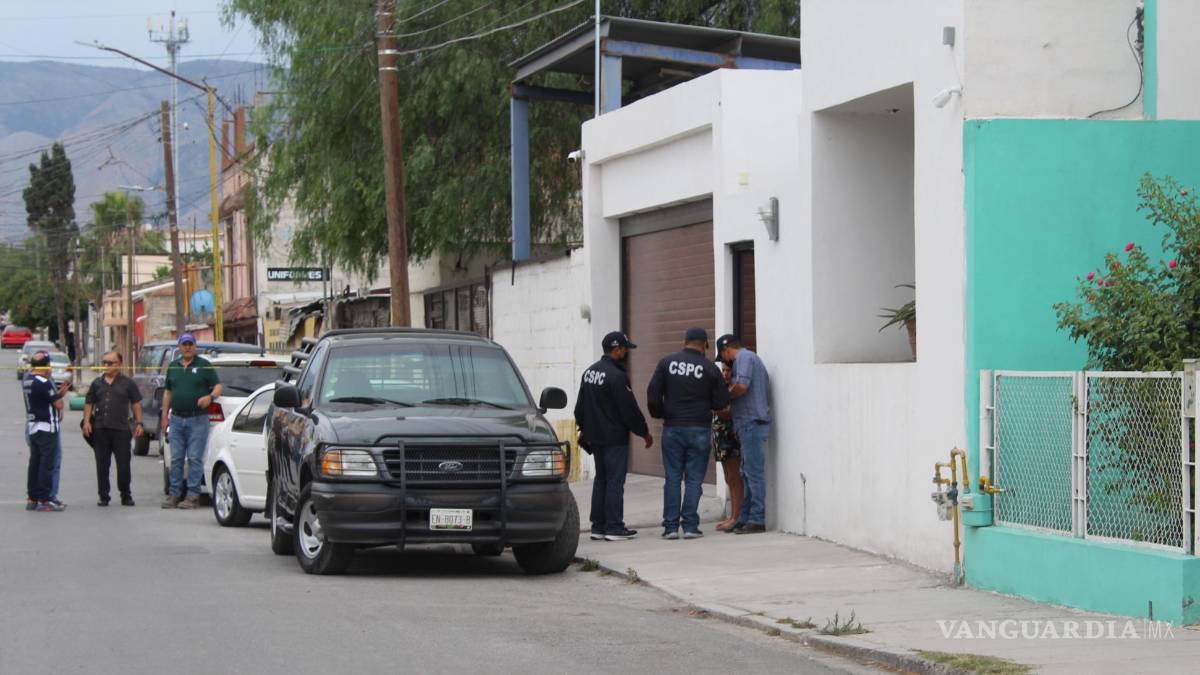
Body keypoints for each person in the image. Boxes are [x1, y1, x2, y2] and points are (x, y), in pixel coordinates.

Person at [646, 328, 729, 540]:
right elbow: (721, 402)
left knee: (672, 478)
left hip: (673, 427)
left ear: (684, 342)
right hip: (699, 428)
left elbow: (653, 395)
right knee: (694, 480)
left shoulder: (667, 363)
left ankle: (671, 528)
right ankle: (691, 526)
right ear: (706, 345)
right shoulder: (710, 368)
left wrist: (662, 413)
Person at [574, 331, 652, 542]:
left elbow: (579, 408)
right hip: (614, 438)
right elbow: (629, 409)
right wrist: (644, 432)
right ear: (617, 349)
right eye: (625, 348)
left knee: (601, 480)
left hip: (595, 437)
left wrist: (584, 430)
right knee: (615, 482)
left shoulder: (590, 372)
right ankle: (614, 527)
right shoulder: (617, 376)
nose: (627, 352)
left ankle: (598, 527)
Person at [716, 334, 771, 534]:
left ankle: (757, 519)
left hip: (751, 423)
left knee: (753, 473)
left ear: (726, 350)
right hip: (746, 424)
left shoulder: (744, 358)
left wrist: (723, 397)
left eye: (723, 357)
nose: (725, 361)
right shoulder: (746, 359)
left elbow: (741, 386)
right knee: (746, 473)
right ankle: (744, 517)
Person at [160, 333, 222, 509]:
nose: (187, 347)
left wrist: (210, 397)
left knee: (195, 457)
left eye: (190, 344)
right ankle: (174, 494)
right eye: (184, 344)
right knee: (176, 458)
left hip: (198, 419)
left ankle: (193, 496)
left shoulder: (204, 365)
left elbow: (218, 386)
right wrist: (165, 416)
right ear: (179, 347)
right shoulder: (173, 367)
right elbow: (168, 392)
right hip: (177, 418)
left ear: (195, 347)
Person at [84, 351, 144, 507]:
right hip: (100, 429)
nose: (107, 366)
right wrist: (86, 422)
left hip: (121, 430)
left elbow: (136, 403)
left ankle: (126, 495)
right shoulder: (96, 383)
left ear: (119, 364)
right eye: (104, 362)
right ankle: (103, 495)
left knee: (123, 464)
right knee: (102, 464)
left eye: (110, 363)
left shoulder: (128, 383)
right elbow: (89, 403)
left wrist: (139, 423)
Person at [24, 352, 68, 512]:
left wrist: (58, 394)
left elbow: (45, 399)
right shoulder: (45, 382)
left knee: (35, 463)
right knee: (46, 465)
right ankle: (45, 500)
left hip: (33, 427)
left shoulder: (28, 380)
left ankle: (32, 497)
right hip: (47, 428)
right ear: (46, 366)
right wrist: (60, 396)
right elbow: (59, 405)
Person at [712, 361, 744, 532]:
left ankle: (737, 516)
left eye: (728, 370)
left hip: (731, 436)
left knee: (735, 477)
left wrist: (713, 406)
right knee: (728, 478)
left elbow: (729, 412)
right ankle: (732, 515)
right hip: (720, 436)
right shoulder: (721, 388)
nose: (725, 374)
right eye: (723, 370)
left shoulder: (735, 390)